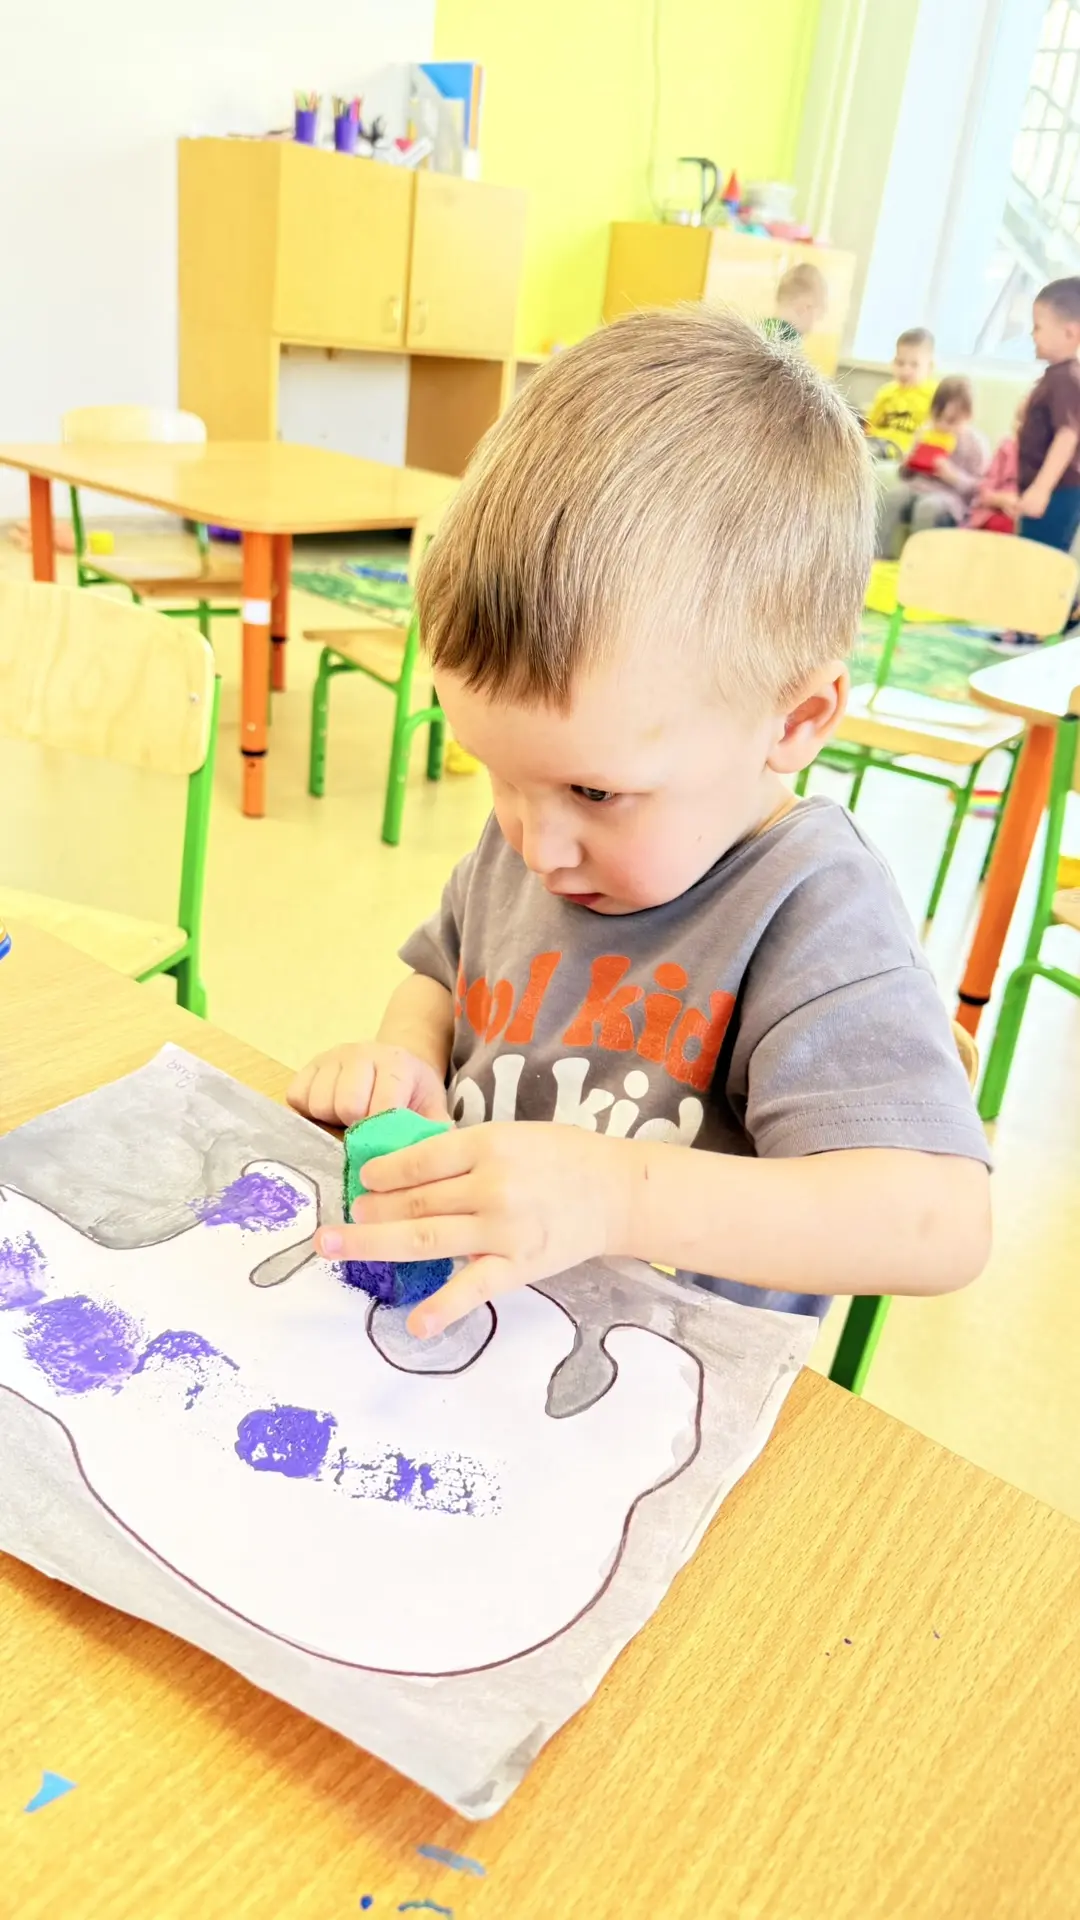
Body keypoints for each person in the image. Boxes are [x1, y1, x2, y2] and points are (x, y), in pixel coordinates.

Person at [288, 309, 991, 1340]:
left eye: (596, 793)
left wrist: (618, 1196)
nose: (535, 843)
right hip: (482, 1343)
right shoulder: (540, 828)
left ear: (794, 721)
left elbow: (941, 1223)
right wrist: (407, 1061)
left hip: (665, 1383)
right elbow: (441, 977)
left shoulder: (812, 911)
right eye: (496, 774)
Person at [876, 377, 988, 557]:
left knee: (927, 508)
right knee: (890, 498)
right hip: (917, 486)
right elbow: (905, 475)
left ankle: (918, 562)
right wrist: (908, 464)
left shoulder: (975, 444)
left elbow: (979, 488)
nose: (942, 425)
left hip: (950, 497)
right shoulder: (926, 431)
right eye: (937, 417)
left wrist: (952, 476)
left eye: (951, 421)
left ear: (968, 416)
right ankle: (878, 559)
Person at [1007, 278, 1080, 553]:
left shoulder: (1067, 379)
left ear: (1070, 333)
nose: (1032, 334)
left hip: (1058, 493)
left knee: (1041, 560)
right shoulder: (1055, 377)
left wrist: (1041, 490)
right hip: (1050, 490)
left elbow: (1068, 435)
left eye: (1038, 327)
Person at [864, 328, 937, 460]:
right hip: (876, 447)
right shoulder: (885, 392)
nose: (905, 370)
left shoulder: (934, 396)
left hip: (906, 454)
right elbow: (869, 426)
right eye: (900, 363)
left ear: (929, 367)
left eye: (914, 365)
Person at [966, 400, 1025, 534]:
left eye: (1026, 422)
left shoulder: (1045, 459)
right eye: (1018, 419)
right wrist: (1001, 500)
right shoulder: (1006, 449)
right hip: (990, 512)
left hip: (1020, 518)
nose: (1019, 426)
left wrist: (1018, 504)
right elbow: (985, 490)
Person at [762, 262, 828, 345]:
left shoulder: (758, 331)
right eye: (818, 315)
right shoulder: (790, 341)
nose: (814, 324)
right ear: (806, 306)